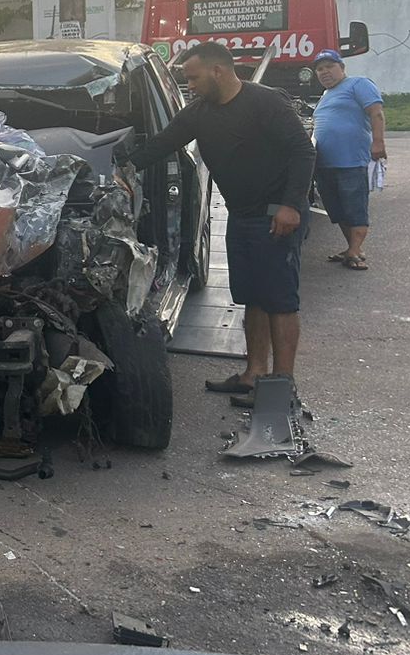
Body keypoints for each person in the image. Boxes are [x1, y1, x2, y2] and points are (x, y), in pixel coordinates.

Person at [126, 41, 316, 400]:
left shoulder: (265, 102)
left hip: (278, 214)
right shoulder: (199, 114)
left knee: (280, 300)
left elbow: (303, 151)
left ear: (219, 71)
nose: (190, 86)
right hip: (242, 217)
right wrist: (123, 167)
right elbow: (161, 144)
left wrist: (291, 205)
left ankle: (281, 387)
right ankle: (254, 373)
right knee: (253, 298)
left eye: (194, 78)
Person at [310, 49, 386, 271]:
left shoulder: (358, 84)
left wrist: (378, 142)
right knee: (337, 210)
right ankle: (353, 248)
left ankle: (355, 252)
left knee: (355, 208)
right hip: (325, 164)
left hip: (351, 161)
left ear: (342, 68)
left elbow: (376, 113)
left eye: (329, 67)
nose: (324, 72)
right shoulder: (326, 94)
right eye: (320, 69)